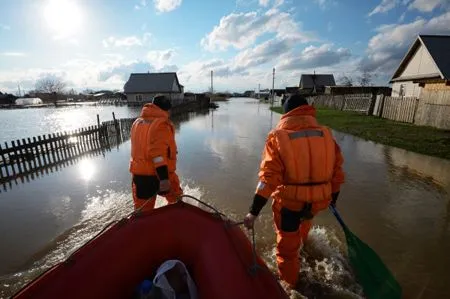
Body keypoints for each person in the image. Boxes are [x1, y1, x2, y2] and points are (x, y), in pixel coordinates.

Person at [243, 94, 345, 289]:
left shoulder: (278, 137)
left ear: (286, 112)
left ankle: (289, 287)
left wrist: (253, 211)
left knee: (286, 251)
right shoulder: (326, 134)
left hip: (290, 204)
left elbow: (268, 178)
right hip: (317, 201)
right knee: (304, 225)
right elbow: (337, 172)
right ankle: (303, 247)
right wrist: (334, 198)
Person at [129, 95, 182, 212]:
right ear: (166, 109)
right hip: (159, 175)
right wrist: (164, 179)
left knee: (142, 214)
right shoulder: (161, 125)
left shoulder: (137, 123)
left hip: (139, 176)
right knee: (177, 205)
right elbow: (158, 155)